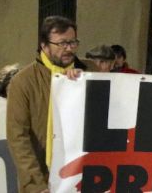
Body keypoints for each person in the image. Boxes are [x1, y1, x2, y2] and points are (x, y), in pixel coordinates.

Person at [7, 16, 94, 192]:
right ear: (44, 45)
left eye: (73, 42)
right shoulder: (23, 82)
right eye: (62, 44)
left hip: (83, 178)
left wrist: (84, 82)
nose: (69, 49)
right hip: (42, 181)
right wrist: (37, 186)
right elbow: (18, 138)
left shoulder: (89, 71)